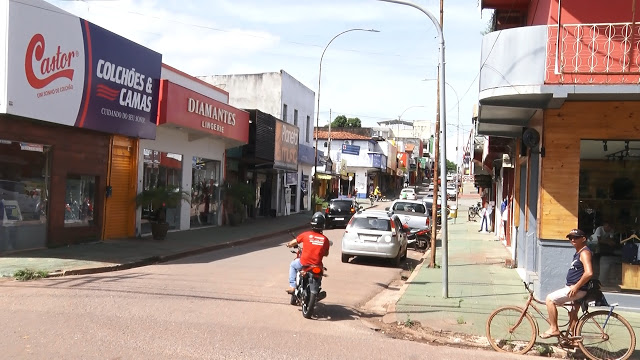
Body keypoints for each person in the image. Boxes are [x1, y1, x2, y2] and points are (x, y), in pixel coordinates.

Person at [541, 228, 593, 339]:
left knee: (550, 299)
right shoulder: (578, 252)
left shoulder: (584, 252)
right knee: (573, 316)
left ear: (583, 239)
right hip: (574, 289)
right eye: (570, 238)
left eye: (576, 237)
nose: (572, 239)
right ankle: (574, 341)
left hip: (576, 290)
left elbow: (589, 273)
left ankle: (554, 328)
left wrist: (576, 287)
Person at [286, 212, 331, 294]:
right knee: (320, 273)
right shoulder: (325, 240)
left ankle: (292, 286)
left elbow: (294, 242)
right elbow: (326, 254)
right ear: (323, 225)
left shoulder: (306, 235)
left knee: (293, 265)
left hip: (304, 263)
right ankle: (317, 287)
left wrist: (289, 244)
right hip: (317, 265)